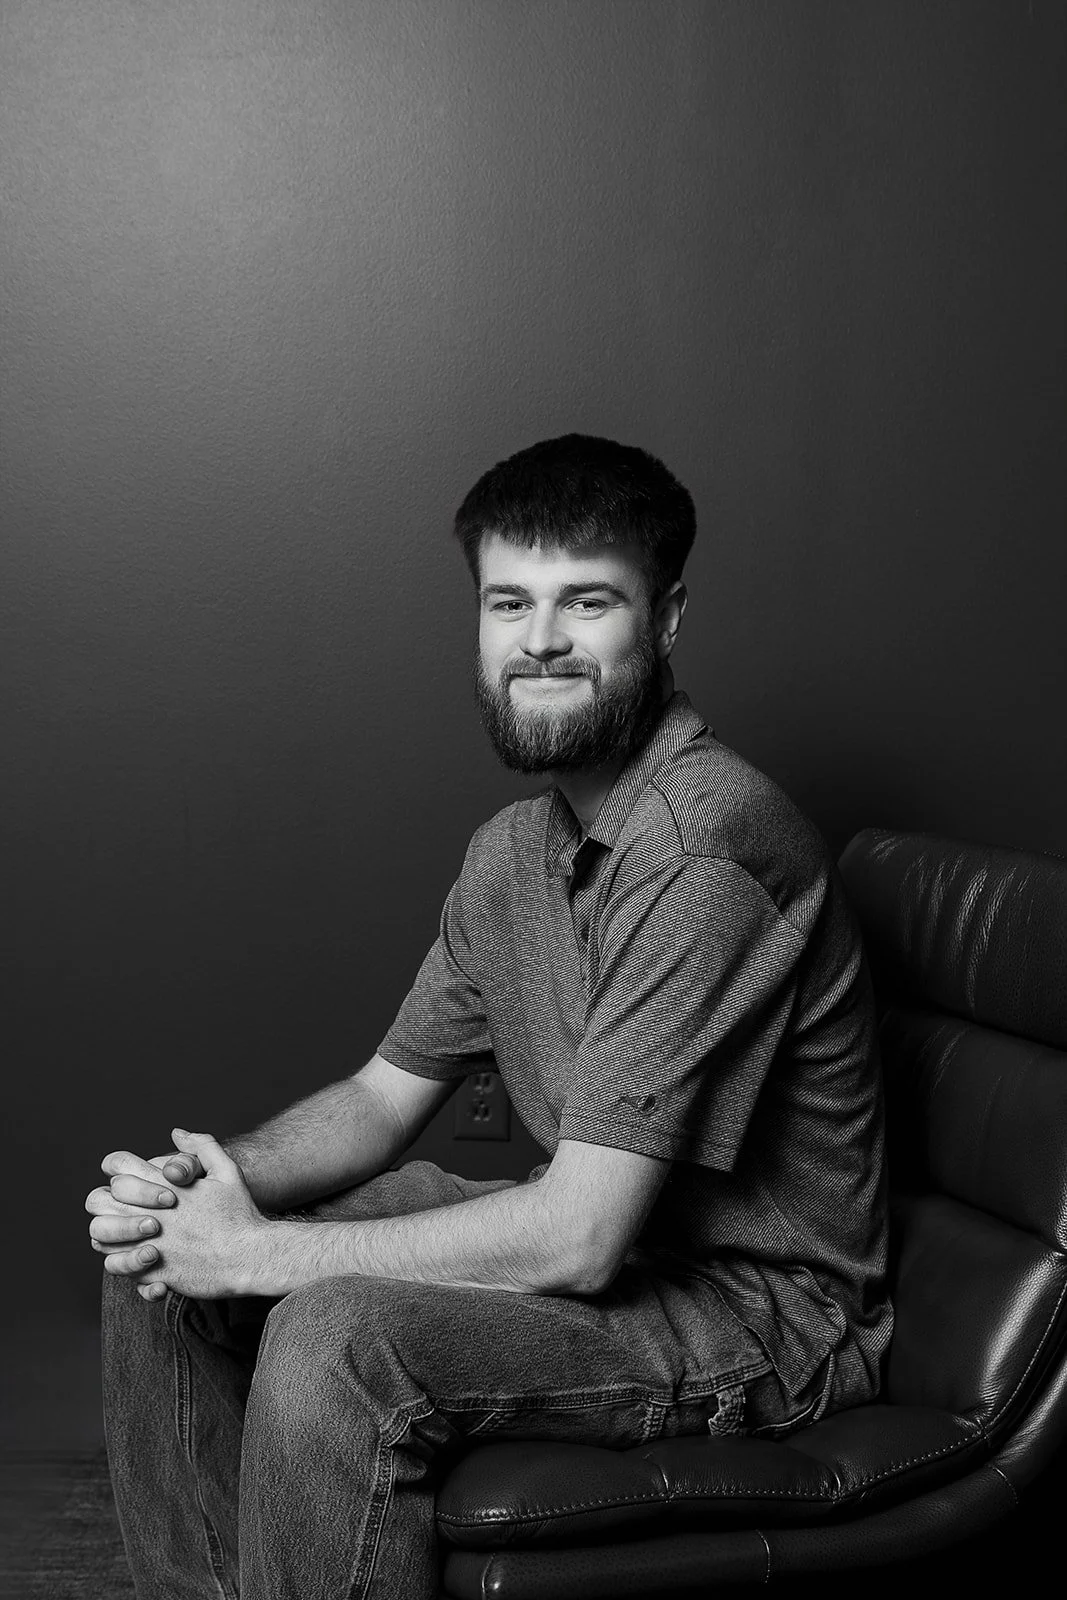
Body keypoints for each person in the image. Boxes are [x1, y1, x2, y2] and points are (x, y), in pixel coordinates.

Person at [86, 434, 891, 1600]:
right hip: (621, 1263)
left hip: (761, 1317)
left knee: (330, 1337)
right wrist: (203, 1186)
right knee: (158, 1264)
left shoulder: (703, 849)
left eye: (588, 601)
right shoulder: (513, 854)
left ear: (664, 620)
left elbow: (577, 1233)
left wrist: (262, 1254)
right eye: (510, 600)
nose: (541, 640)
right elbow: (377, 1100)